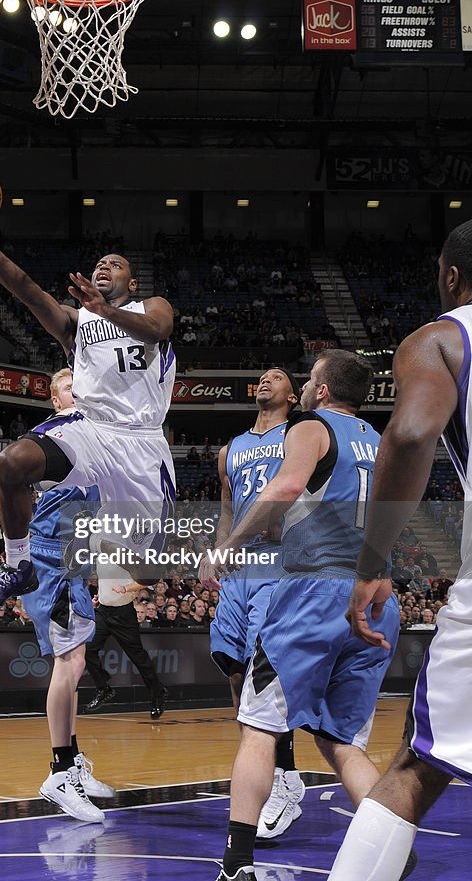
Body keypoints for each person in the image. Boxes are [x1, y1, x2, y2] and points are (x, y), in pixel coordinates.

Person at [212, 350, 402, 881]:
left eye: (310, 375)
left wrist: (231, 543)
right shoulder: (381, 441)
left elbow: (287, 486)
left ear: (319, 390)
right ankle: (391, 849)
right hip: (377, 598)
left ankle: (236, 863)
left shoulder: (312, 427)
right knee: (342, 742)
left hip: (315, 591)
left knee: (258, 728)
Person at [0, 201, 176, 602]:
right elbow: (26, 290)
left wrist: (105, 311)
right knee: (12, 463)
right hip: (92, 428)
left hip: (143, 445)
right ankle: (19, 565)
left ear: (132, 283)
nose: (105, 267)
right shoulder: (77, 323)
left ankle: (103, 541)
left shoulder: (150, 306)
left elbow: (155, 330)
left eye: (115, 264)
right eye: (100, 263)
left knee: (149, 571)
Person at [329, 221, 472, 880]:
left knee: (417, 770)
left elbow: (412, 434)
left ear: (450, 277)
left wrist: (371, 565)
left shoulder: (444, 336)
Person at [1, 369, 115, 822]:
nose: (79, 391)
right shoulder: (51, 441)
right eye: (69, 386)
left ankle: (71, 761)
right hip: (50, 561)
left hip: (74, 562)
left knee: (76, 662)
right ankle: (60, 771)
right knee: (69, 663)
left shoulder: (91, 440)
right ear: (54, 398)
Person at [207, 367, 305, 839]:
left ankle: (285, 778)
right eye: (262, 377)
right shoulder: (231, 449)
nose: (266, 380)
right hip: (240, 566)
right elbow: (227, 507)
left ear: (292, 395)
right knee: (231, 665)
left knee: (263, 674)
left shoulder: (302, 434)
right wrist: (221, 550)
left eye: (278, 376)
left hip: (281, 563)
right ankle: (269, 767)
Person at [82, 574, 168, 720]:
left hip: (124, 614)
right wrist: (100, 596)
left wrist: (125, 588)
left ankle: (157, 693)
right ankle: (103, 688)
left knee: (138, 657)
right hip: (102, 611)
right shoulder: (100, 555)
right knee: (87, 649)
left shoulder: (128, 555)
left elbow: (147, 580)